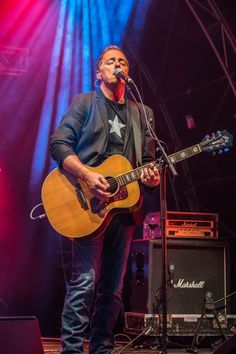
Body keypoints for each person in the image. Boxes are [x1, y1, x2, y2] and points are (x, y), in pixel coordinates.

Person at [49, 45, 160, 354]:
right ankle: (71, 349)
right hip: (88, 206)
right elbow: (58, 144)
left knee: (112, 289)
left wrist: (153, 179)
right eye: (110, 61)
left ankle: (102, 348)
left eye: (122, 60)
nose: (117, 64)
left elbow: (148, 164)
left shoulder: (143, 113)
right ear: (99, 72)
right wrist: (86, 176)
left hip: (123, 210)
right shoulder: (85, 103)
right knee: (85, 282)